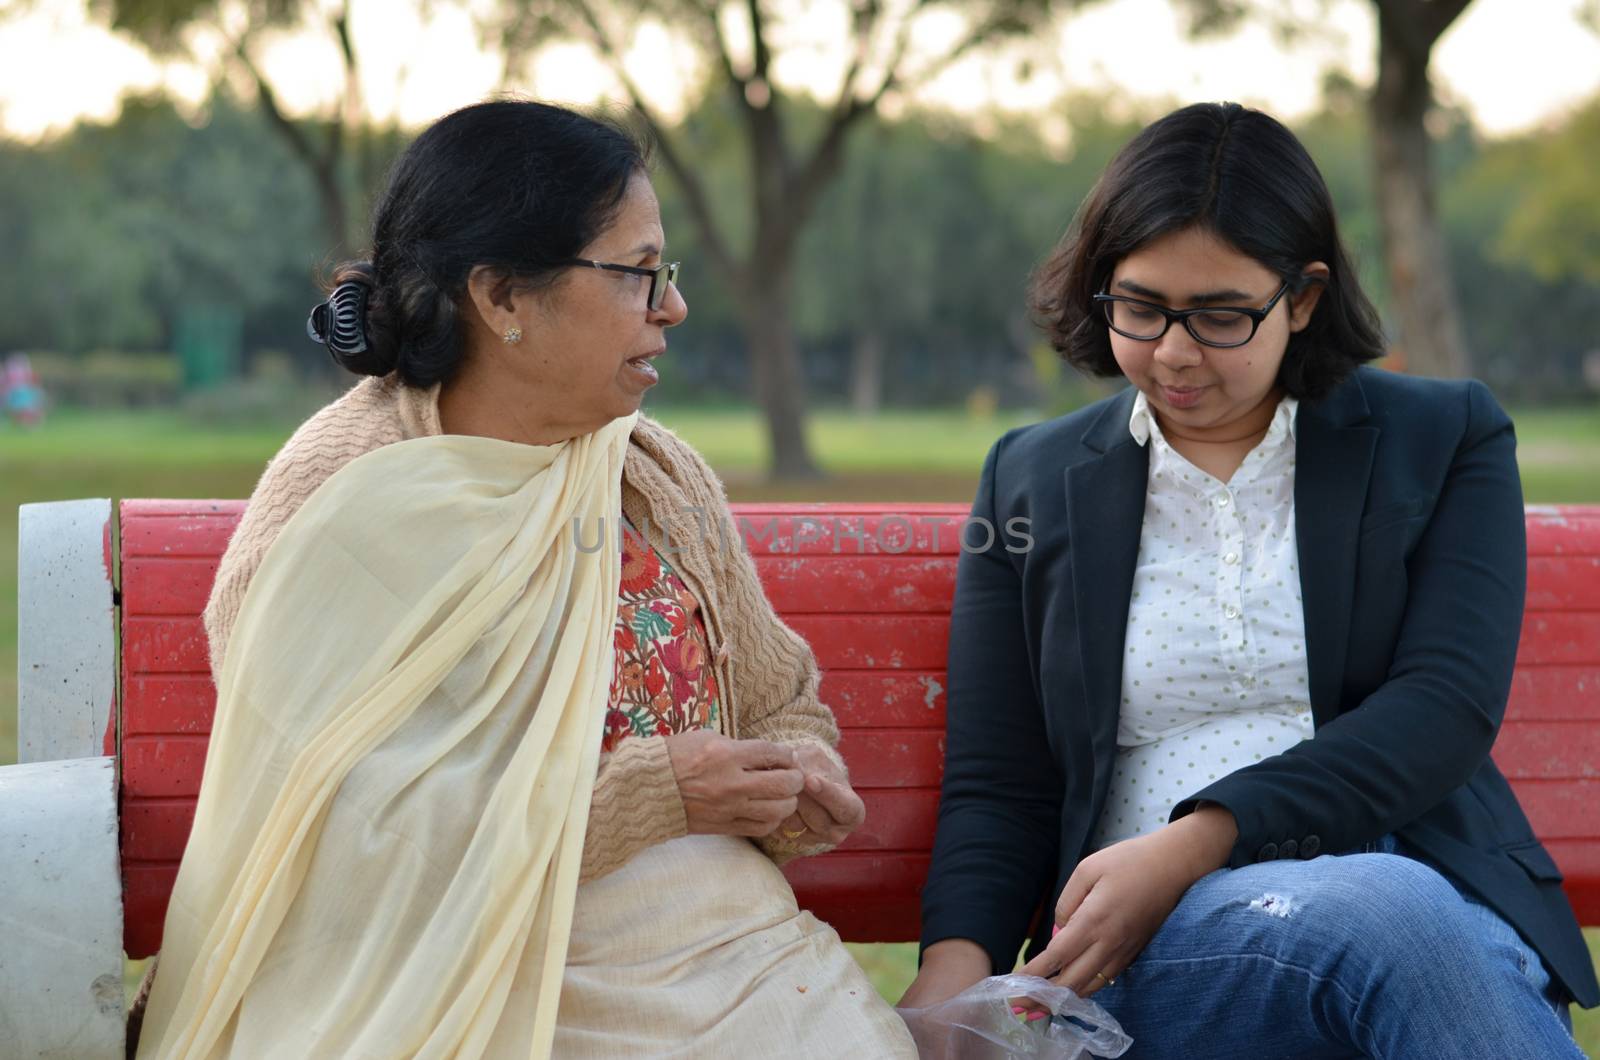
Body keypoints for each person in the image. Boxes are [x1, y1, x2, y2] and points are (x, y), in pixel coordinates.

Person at [133, 100, 915, 1058]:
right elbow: (346, 831)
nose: (670, 305)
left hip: (735, 963)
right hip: (452, 980)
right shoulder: (346, 494)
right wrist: (651, 797)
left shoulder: (653, 474)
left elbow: (780, 700)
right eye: (636, 274)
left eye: (664, 273)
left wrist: (799, 773)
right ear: (502, 296)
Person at [900, 102, 1596, 1057]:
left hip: (1423, 895)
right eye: (1140, 308)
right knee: (1390, 916)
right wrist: (952, 973)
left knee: (1394, 910)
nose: (1174, 353)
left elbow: (1443, 707)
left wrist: (1201, 838)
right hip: (1153, 949)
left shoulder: (1445, 440)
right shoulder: (1031, 480)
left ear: (1302, 299)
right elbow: (1001, 780)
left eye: (1222, 315)